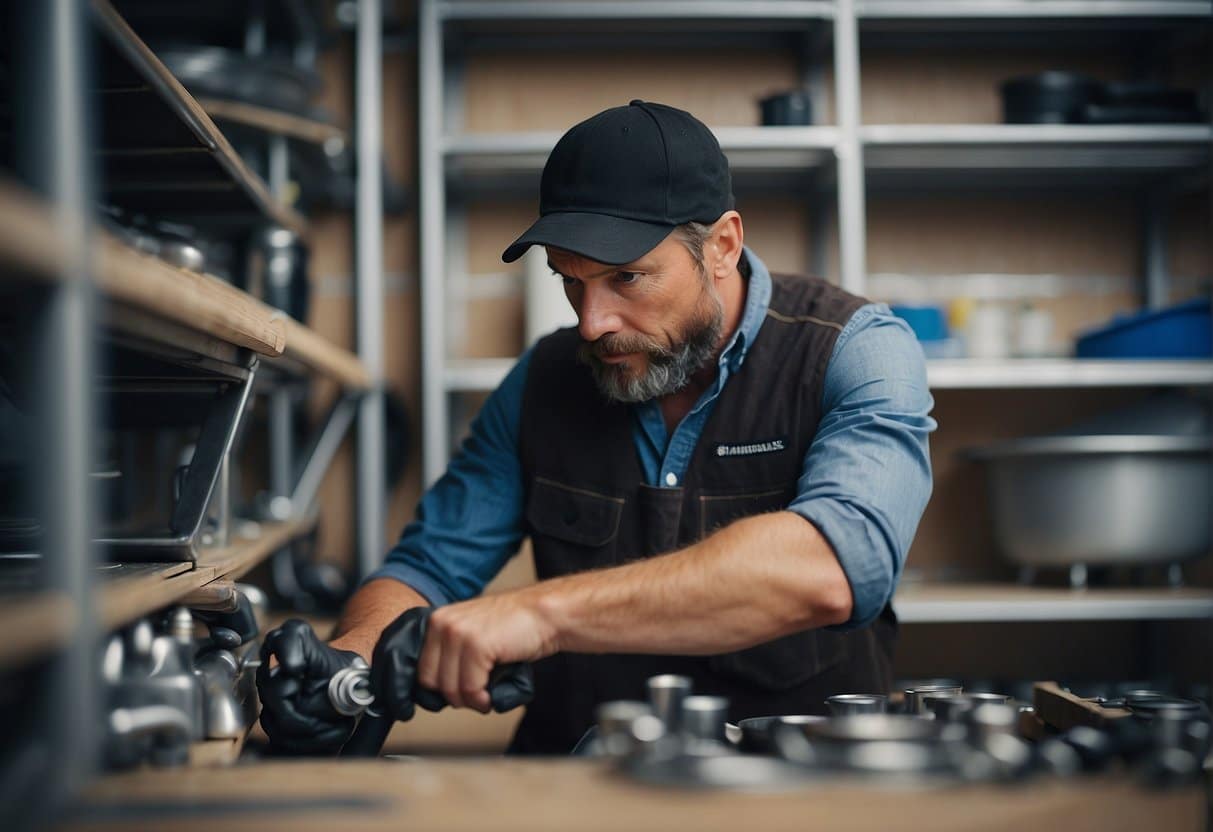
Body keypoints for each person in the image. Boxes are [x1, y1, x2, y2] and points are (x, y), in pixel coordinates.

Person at [258, 100, 936, 755]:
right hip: (575, 788)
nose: (591, 323)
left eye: (627, 278)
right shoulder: (544, 380)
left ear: (722, 245)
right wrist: (350, 659)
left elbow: (831, 568)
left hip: (799, 792)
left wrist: (535, 614)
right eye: (570, 280)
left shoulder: (853, 349)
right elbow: (428, 567)